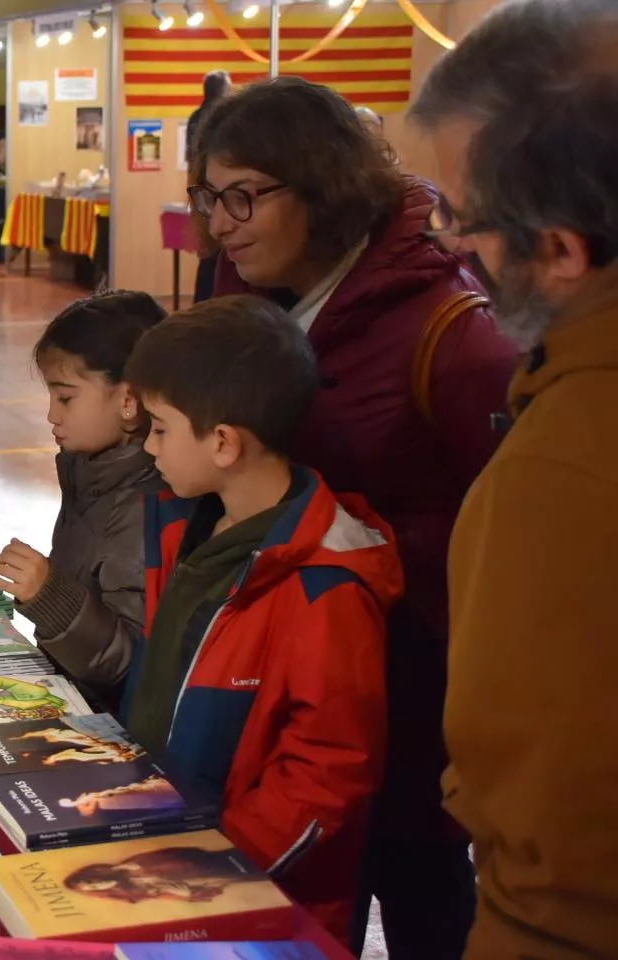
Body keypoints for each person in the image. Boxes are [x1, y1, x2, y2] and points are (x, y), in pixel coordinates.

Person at [191, 76, 519, 958]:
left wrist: (373, 557)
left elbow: (512, 520)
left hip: (408, 670)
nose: (221, 221)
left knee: (419, 887)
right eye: (208, 196)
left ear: (324, 186)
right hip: (281, 651)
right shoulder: (242, 279)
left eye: (245, 196)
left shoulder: (446, 326)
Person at [410, 1, 618, 955]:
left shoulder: (570, 467)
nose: (451, 244)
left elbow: (553, 862)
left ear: (563, 251)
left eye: (459, 215)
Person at [121, 295, 402, 942]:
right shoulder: (186, 527)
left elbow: (327, 774)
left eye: (161, 427)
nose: (147, 445)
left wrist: (210, 870)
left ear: (222, 442)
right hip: (164, 870)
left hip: (260, 908)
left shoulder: (325, 588)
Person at [0, 292, 168, 712]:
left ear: (128, 401)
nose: (52, 415)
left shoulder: (145, 505)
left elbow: (126, 662)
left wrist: (48, 595)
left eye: (66, 397)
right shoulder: (90, 474)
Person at [186, 70, 230, 305]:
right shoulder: (221, 120)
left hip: (201, 192)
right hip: (210, 191)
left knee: (210, 255)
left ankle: (202, 306)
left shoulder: (196, 117)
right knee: (217, 256)